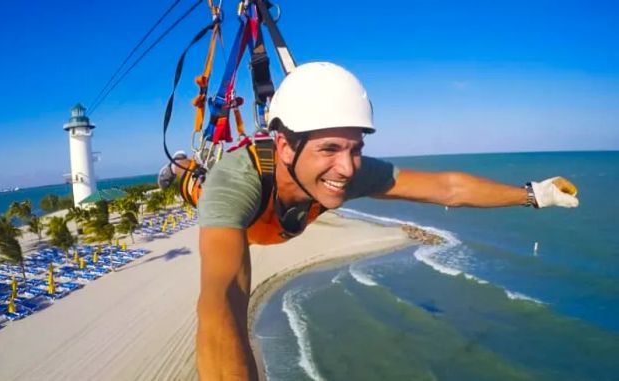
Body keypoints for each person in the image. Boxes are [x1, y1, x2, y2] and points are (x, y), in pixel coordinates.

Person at [183, 62, 579, 380]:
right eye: (330, 148)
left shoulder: (346, 172)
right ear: (284, 146)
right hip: (240, 211)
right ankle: (184, 171)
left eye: (357, 148)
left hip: (276, 220)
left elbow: (447, 188)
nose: (347, 166)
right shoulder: (235, 184)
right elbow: (222, 301)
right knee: (198, 189)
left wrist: (534, 194)